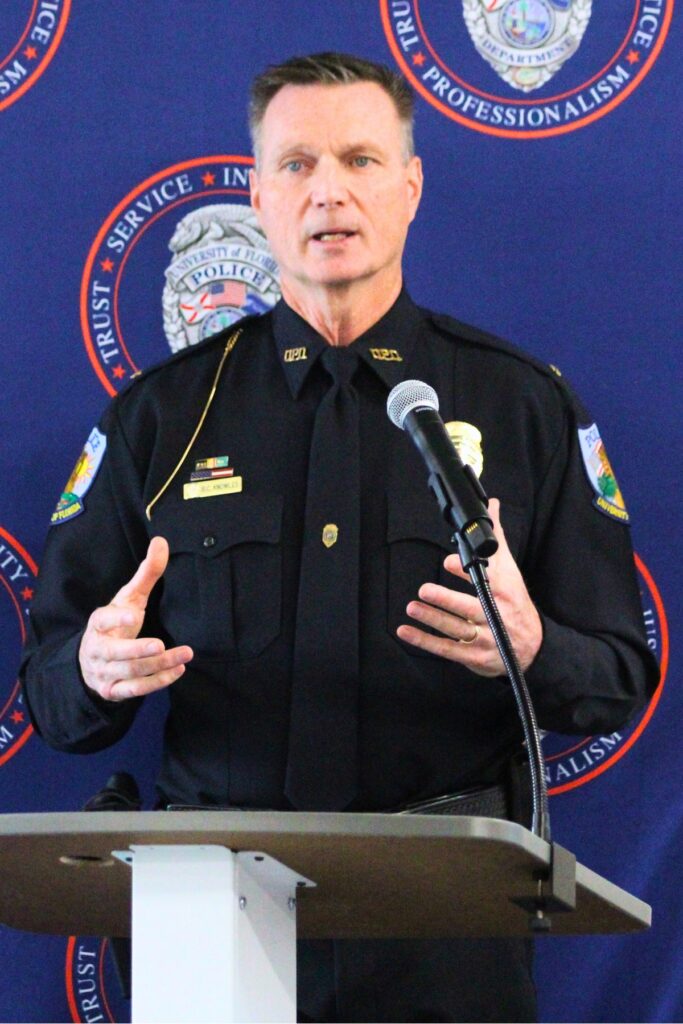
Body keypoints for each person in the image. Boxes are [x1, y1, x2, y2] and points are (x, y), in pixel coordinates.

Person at [20, 52, 657, 1022]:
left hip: (442, 910)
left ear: (409, 185)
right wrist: (95, 672)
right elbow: (53, 695)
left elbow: (616, 674)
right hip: (209, 901)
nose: (328, 191)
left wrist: (531, 649)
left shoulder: (519, 406)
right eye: (296, 164)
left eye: (360, 160)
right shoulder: (160, 417)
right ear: (257, 194)